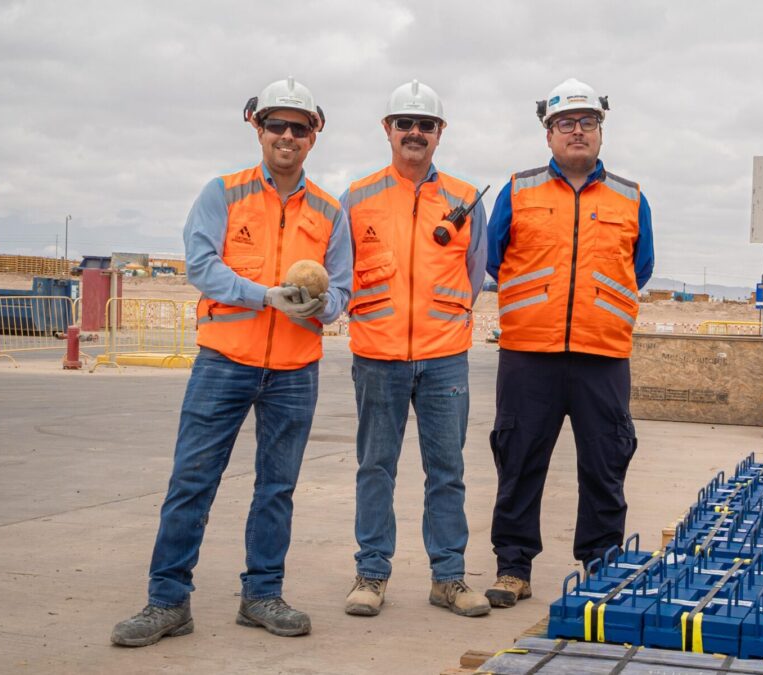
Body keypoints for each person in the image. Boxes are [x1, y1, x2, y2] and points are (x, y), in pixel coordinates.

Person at [111, 77, 353, 646]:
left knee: (277, 486)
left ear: (314, 135)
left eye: (300, 126)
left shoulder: (328, 211)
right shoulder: (222, 192)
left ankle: (262, 594)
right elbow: (201, 265)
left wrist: (320, 306)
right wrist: (264, 295)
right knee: (192, 479)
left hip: (295, 369)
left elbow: (343, 290)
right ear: (257, 127)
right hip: (225, 360)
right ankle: (167, 600)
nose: (287, 136)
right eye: (277, 124)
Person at [484, 78, 655, 608]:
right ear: (548, 133)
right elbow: (494, 259)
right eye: (565, 123)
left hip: (601, 356)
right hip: (528, 355)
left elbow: (640, 268)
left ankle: (600, 566)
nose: (576, 132)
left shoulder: (631, 197)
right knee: (519, 460)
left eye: (587, 122)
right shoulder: (519, 189)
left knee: (605, 463)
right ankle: (513, 567)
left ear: (601, 131)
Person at [339, 80, 490, 618]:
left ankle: (448, 577)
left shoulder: (464, 199)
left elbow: (475, 276)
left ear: (440, 133)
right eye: (405, 123)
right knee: (375, 467)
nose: (415, 133)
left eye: (426, 124)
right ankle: (371, 574)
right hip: (377, 356)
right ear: (388, 130)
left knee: (446, 469)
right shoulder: (357, 198)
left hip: (445, 355)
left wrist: (440, 321)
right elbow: (342, 273)